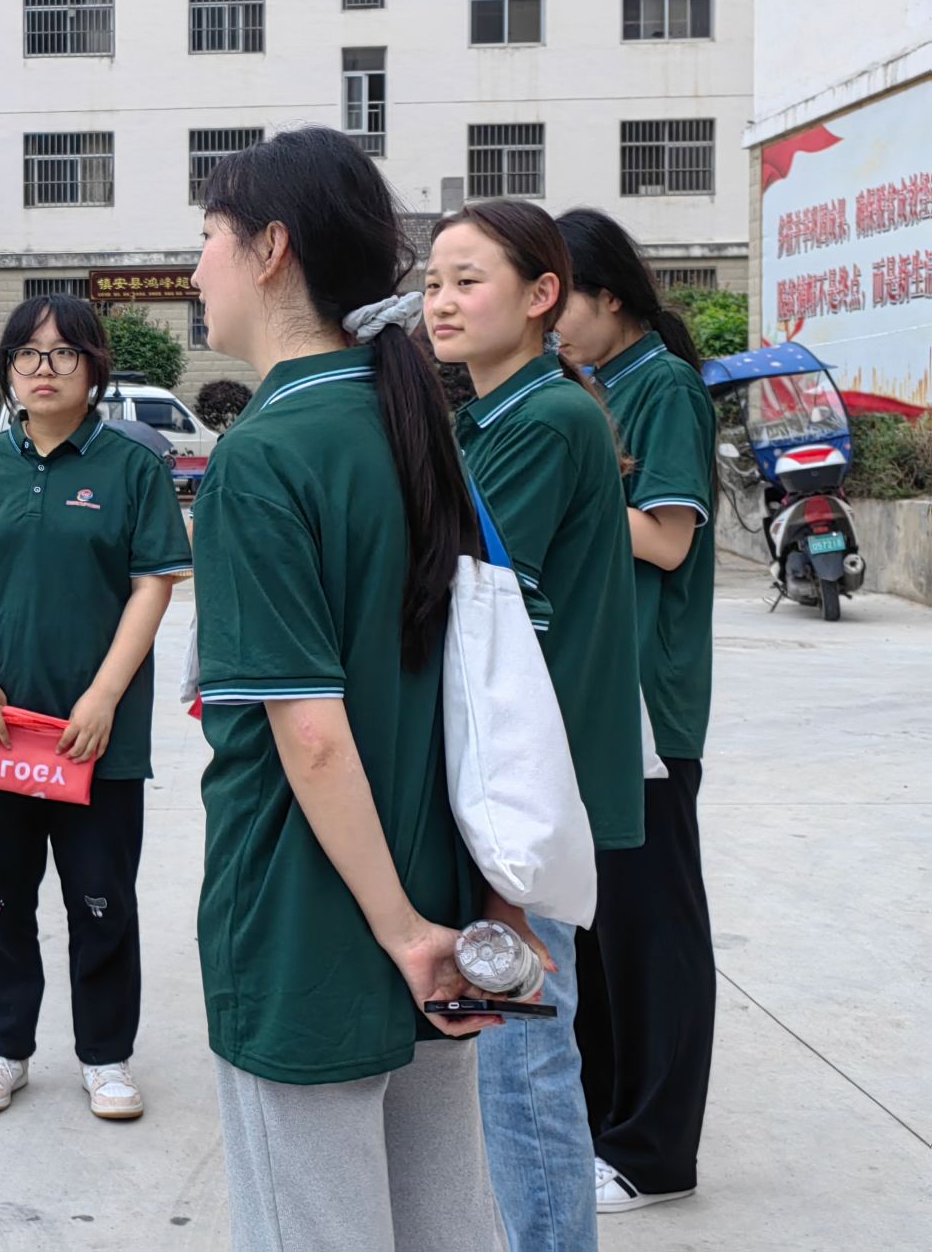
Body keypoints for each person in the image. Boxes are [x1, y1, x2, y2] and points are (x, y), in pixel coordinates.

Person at [190, 127, 509, 1251]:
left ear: (270, 249)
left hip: (312, 919)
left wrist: (399, 932)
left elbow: (311, 735)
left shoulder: (262, 455)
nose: (195, 268)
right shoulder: (409, 427)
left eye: (209, 237)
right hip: (435, 893)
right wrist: (447, 920)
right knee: (443, 1222)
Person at [425, 200, 647, 1251]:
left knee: (520, 1057)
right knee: (510, 1046)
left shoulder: (544, 420)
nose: (440, 302)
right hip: (517, 769)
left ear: (540, 295)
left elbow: (471, 600)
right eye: (432, 283)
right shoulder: (489, 418)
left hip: (525, 777)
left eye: (467, 280)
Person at [0, 295, 191, 1121]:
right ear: (8, 368)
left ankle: (106, 1057)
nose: (44, 369)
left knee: (102, 900)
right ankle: (1, 1048)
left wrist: (103, 696)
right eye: (27, 354)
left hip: (95, 736)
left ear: (94, 367)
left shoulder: (133, 467)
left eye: (64, 353)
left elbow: (153, 584)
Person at [554, 207, 718, 1215]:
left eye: (560, 301)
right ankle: (604, 1125)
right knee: (598, 928)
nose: (549, 325)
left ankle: (655, 1155)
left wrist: (564, 488)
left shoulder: (660, 388)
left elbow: (664, 539)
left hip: (645, 705)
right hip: (595, 697)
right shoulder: (596, 387)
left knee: (652, 934)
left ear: (610, 297)